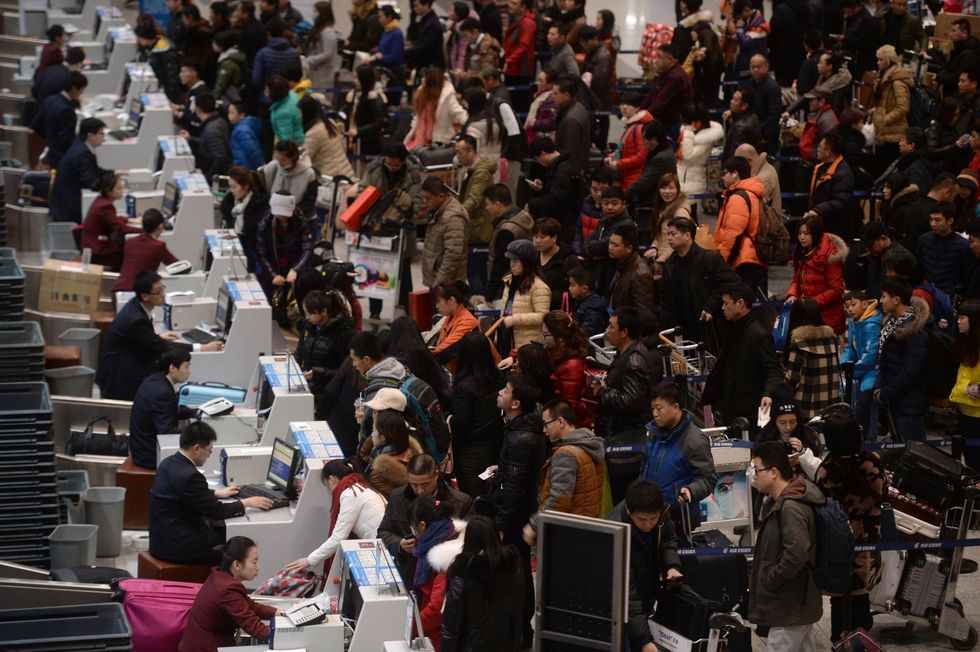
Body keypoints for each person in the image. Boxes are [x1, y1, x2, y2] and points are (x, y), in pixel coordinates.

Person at [151, 423, 273, 563]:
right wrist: (248, 502)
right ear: (197, 448)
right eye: (209, 451)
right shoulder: (191, 476)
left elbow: (186, 493)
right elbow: (217, 511)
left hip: (162, 539)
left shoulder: (168, 463)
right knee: (235, 544)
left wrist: (216, 493)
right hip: (178, 546)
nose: (209, 455)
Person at [814, 413, 886, 644]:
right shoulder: (873, 462)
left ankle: (841, 642)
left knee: (840, 603)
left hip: (838, 545)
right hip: (869, 541)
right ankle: (863, 641)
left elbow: (820, 506)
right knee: (862, 597)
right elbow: (884, 495)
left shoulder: (827, 470)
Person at [748, 441, 824, 651]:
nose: (754, 475)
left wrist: (771, 578)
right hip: (796, 603)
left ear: (773, 472)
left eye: (757, 469)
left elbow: (796, 553)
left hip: (789, 605)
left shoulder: (791, 507)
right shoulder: (781, 502)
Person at [487, 375, 546, 646]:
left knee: (517, 572)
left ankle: (521, 633)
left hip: (513, 516)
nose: (500, 393)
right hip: (515, 511)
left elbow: (515, 488)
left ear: (516, 403)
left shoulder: (521, 438)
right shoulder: (518, 429)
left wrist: (500, 524)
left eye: (505, 391)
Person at [97, 272, 220, 401]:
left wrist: (155, 337)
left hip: (123, 362)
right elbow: (164, 347)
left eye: (163, 289)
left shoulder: (136, 305)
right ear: (145, 296)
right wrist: (202, 348)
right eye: (158, 291)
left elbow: (140, 338)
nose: (163, 294)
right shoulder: (135, 319)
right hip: (119, 375)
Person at [608, 480, 683, 652]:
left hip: (647, 588)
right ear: (628, 510)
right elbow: (627, 595)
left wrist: (671, 566)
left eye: (653, 519)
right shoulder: (616, 531)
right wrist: (644, 641)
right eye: (641, 519)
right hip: (622, 607)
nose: (648, 524)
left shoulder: (662, 512)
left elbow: (668, 540)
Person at [592, 307, 656, 503]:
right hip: (619, 436)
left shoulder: (634, 359)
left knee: (625, 499)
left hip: (627, 443)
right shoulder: (625, 355)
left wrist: (603, 391)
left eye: (611, 326)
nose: (606, 331)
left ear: (625, 332)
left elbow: (630, 401)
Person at [379, 454, 473, 585]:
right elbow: (383, 532)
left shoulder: (460, 502)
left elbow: (469, 542)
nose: (420, 490)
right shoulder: (397, 498)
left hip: (443, 575)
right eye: (414, 484)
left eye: (425, 484)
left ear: (436, 475)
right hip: (408, 572)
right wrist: (399, 544)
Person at [522, 398, 604, 545]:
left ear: (560, 421)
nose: (544, 430)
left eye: (546, 424)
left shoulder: (566, 454)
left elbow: (559, 500)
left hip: (567, 534)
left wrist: (533, 524)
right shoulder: (589, 445)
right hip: (587, 528)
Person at [284, 460, 386, 574]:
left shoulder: (350, 493)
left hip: (381, 552)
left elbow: (338, 537)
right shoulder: (360, 486)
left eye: (327, 486)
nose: (329, 492)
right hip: (381, 545)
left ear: (332, 479)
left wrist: (309, 560)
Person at [179, 537, 280, 651]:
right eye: (254, 562)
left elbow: (250, 606)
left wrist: (278, 613)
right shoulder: (227, 589)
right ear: (236, 565)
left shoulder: (219, 576)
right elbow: (255, 628)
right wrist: (289, 635)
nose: (258, 567)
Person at [441, 515, 525, 652]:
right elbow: (517, 617)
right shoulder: (511, 566)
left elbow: (450, 628)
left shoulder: (462, 571)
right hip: (504, 644)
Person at [702, 283, 782, 427]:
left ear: (740, 303)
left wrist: (768, 394)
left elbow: (774, 369)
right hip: (731, 406)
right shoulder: (735, 327)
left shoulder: (758, 334)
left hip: (749, 411)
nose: (722, 307)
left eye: (726, 303)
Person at [642, 382, 716, 527]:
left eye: (659, 409)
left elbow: (708, 478)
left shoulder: (694, 440)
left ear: (675, 408)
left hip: (679, 517)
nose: (655, 414)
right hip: (651, 514)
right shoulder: (653, 432)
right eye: (653, 409)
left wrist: (691, 491)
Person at [659, 217, 740, 347]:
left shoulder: (709, 259)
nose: (669, 238)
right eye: (668, 234)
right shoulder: (669, 265)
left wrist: (711, 306)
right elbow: (666, 299)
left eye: (673, 234)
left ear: (687, 235)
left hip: (708, 326)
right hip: (682, 329)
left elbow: (731, 283)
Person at [450, 332, 506, 496]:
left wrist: (447, 418)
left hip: (469, 453)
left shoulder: (464, 387)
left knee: (473, 500)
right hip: (496, 445)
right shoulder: (500, 378)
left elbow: (461, 422)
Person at [877, 277, 930, 441]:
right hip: (896, 400)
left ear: (896, 300)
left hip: (909, 403)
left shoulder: (915, 329)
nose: (881, 301)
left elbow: (911, 370)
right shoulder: (893, 323)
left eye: (884, 296)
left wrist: (887, 393)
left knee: (913, 452)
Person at [410, 496, 466, 650]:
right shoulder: (443, 538)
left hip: (440, 638)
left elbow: (437, 608)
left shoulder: (444, 558)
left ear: (422, 525)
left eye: (412, 527)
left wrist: (410, 626)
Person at [129, 348, 197, 470]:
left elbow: (169, 410)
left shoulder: (156, 380)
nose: (189, 372)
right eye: (186, 367)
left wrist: (194, 412)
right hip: (149, 454)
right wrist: (195, 432)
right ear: (172, 368)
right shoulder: (163, 392)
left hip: (141, 447)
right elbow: (166, 432)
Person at [295, 290, 355, 418]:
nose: (307, 317)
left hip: (328, 393)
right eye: (306, 313)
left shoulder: (341, 334)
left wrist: (318, 373)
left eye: (311, 313)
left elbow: (345, 371)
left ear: (324, 311)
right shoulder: (309, 326)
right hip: (308, 386)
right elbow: (300, 351)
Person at [714, 156, 768, 295]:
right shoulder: (753, 193)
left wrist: (722, 263)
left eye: (725, 173)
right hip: (753, 256)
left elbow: (733, 234)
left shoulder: (738, 198)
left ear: (735, 173)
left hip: (742, 260)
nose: (722, 177)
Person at [786, 215, 847, 334]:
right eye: (800, 233)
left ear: (816, 234)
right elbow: (797, 280)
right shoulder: (802, 252)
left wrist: (811, 304)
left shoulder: (830, 256)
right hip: (807, 316)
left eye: (806, 233)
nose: (802, 237)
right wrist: (792, 295)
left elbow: (837, 289)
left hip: (826, 320)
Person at [782, 297, 841, 420]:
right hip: (830, 407)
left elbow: (791, 381)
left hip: (804, 409)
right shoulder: (832, 339)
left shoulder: (799, 344)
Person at [49, 118, 113, 224]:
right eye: (101, 134)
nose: (104, 138)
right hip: (68, 206)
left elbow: (95, 170)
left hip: (65, 199)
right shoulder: (82, 154)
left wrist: (114, 174)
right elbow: (92, 183)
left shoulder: (80, 146)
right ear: (90, 135)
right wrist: (113, 186)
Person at [455, 135, 497, 294]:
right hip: (475, 228)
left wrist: (456, 215)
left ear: (471, 151)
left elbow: (473, 199)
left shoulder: (480, 173)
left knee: (476, 274)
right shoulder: (472, 170)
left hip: (479, 231)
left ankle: (481, 313)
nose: (457, 156)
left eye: (460, 152)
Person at [753, 387, 824, 480]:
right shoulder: (765, 440)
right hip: (775, 493)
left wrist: (803, 453)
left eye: (792, 422)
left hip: (805, 491)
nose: (788, 427)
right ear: (774, 421)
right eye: (782, 422)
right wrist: (783, 466)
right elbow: (754, 479)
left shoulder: (808, 435)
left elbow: (820, 473)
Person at [255, 192, 314, 299]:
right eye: (279, 213)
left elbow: (307, 248)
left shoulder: (301, 221)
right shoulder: (265, 224)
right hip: (272, 272)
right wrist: (273, 274)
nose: (282, 216)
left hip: (294, 271)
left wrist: (296, 269)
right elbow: (261, 252)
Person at [840, 290, 882, 436]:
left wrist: (851, 371)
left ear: (864, 304)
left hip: (873, 370)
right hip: (858, 368)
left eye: (853, 305)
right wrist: (842, 365)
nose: (850, 309)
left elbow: (870, 355)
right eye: (847, 306)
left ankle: (861, 436)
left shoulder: (872, 324)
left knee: (863, 403)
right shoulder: (853, 321)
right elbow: (850, 349)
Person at [80, 173, 141, 271]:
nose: (122, 191)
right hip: (98, 252)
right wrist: (146, 229)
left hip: (92, 247)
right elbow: (121, 228)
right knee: (130, 255)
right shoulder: (105, 206)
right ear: (109, 191)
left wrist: (131, 220)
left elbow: (114, 219)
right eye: (119, 188)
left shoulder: (101, 201)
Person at [869, 45, 914, 177]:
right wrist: (874, 113)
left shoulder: (897, 82)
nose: (878, 63)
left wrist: (884, 120)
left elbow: (903, 107)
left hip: (893, 133)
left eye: (880, 60)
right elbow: (885, 104)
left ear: (888, 61)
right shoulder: (885, 78)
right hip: (885, 132)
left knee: (885, 170)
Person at [526, 137, 582, 241]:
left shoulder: (562, 170)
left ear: (542, 154)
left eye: (538, 159)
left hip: (565, 223)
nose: (539, 162)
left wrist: (532, 203)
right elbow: (559, 192)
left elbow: (555, 201)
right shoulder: (562, 165)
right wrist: (542, 189)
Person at [499, 238, 551, 348]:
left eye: (516, 261)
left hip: (527, 345)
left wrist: (514, 319)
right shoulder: (509, 281)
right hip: (507, 337)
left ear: (527, 263)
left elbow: (543, 316)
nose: (511, 265)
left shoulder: (539, 287)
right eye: (511, 260)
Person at [918, 202, 975, 300]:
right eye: (931, 219)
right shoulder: (924, 240)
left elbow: (966, 275)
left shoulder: (963, 245)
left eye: (937, 220)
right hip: (926, 294)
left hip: (949, 297)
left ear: (950, 221)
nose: (933, 224)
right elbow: (920, 267)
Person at [112, 210, 180, 293]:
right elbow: (176, 265)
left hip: (118, 290)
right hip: (135, 293)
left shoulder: (130, 242)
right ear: (161, 226)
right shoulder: (158, 246)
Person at [30, 71, 87, 168]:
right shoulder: (67, 110)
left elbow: (36, 125)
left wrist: (50, 138)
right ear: (74, 89)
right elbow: (66, 141)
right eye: (81, 90)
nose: (82, 93)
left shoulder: (49, 100)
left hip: (49, 151)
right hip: (59, 158)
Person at [421, 177, 469, 289]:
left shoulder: (453, 218)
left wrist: (439, 283)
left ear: (441, 196)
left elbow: (452, 255)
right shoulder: (437, 211)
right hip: (436, 278)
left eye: (428, 198)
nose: (424, 202)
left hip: (447, 284)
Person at [219, 167, 270, 273]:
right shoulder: (230, 202)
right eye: (230, 187)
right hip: (237, 248)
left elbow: (255, 231)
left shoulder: (261, 204)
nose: (231, 191)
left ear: (246, 186)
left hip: (255, 253)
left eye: (234, 187)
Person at [541, 311, 589, 422]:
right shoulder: (554, 351)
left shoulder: (573, 365)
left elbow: (569, 405)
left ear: (560, 337)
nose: (544, 338)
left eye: (546, 335)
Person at [405, 68, 468, 149]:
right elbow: (417, 116)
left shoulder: (447, 97)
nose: (422, 80)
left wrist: (473, 123)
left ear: (431, 81)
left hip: (440, 141)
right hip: (419, 139)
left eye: (425, 77)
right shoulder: (421, 93)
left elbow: (459, 114)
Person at [625, 119, 677, 214]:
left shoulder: (661, 158)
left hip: (654, 204)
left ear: (654, 140)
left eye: (645, 139)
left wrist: (623, 196)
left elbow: (644, 182)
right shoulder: (663, 151)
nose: (643, 142)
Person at [952, 300, 980, 468]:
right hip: (965, 410)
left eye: (963, 317)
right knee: (970, 461)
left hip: (977, 416)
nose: (958, 321)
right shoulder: (967, 344)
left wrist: (967, 390)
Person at [259, 140, 319, 219]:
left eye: (283, 160)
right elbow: (263, 192)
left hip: (300, 218)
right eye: (277, 158)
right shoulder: (273, 166)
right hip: (275, 215)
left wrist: (290, 213)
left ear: (293, 157)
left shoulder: (309, 173)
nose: (279, 162)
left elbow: (309, 201)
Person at [641, 45, 691, 140]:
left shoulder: (674, 77)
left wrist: (642, 117)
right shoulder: (665, 73)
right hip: (664, 122)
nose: (656, 60)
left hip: (671, 125)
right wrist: (641, 112)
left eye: (659, 57)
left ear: (670, 59)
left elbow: (660, 102)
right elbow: (652, 95)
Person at [300, 96, 355, 180]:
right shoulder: (330, 123)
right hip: (347, 174)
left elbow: (303, 162)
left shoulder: (313, 133)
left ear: (306, 113)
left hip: (332, 180)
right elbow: (343, 147)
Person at [606, 92, 652, 191]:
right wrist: (611, 157)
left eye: (628, 104)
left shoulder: (639, 128)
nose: (624, 107)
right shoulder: (631, 125)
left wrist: (619, 164)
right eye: (622, 104)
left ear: (637, 107)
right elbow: (624, 150)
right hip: (627, 175)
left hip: (634, 177)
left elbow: (641, 157)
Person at [677, 104, 724, 197]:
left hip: (693, 180)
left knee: (690, 207)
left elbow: (688, 155)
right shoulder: (691, 131)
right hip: (682, 175)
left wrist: (688, 133)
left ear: (693, 122)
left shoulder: (706, 138)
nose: (683, 124)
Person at [645, 173, 692, 264]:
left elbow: (679, 243)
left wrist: (661, 260)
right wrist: (654, 248)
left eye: (671, 188)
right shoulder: (662, 209)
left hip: (676, 262)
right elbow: (661, 235)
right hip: (665, 260)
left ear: (677, 190)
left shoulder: (680, 212)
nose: (667, 191)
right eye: (663, 188)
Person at [608, 224, 655, 311]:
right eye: (610, 243)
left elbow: (643, 312)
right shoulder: (619, 262)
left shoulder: (641, 273)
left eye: (615, 245)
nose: (610, 248)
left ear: (629, 248)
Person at [502, 0, 536, 113]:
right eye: (510, 2)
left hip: (520, 70)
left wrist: (508, 61)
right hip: (512, 67)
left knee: (519, 105)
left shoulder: (527, 23)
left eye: (514, 3)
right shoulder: (515, 19)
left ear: (523, 7)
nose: (510, 5)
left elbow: (523, 46)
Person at [252, 18, 301, 95]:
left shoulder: (262, 53)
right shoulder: (294, 53)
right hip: (288, 97)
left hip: (266, 97)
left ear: (268, 33)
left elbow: (256, 80)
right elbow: (298, 77)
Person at [552, 77, 591, 171]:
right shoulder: (578, 106)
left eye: (556, 93)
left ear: (566, 95)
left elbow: (569, 153)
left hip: (570, 172)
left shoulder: (571, 120)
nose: (552, 96)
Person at [533, 218, 572, 308]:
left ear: (554, 237)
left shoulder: (568, 259)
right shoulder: (533, 257)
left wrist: (548, 296)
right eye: (536, 236)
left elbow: (576, 292)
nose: (538, 241)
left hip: (556, 312)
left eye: (542, 237)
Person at [373, 5, 406, 105]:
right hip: (384, 73)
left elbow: (395, 57)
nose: (379, 20)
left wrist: (381, 56)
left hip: (393, 76)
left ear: (389, 17)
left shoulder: (397, 34)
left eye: (381, 17)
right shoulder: (386, 31)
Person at [306, 2, 342, 91]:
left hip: (324, 76)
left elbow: (327, 54)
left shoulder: (327, 32)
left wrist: (309, 60)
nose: (314, 14)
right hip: (316, 73)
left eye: (316, 11)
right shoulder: (320, 30)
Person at [722, 87, 762, 162]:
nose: (731, 101)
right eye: (732, 98)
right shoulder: (754, 117)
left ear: (745, 105)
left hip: (740, 168)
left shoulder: (740, 126)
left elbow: (736, 156)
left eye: (735, 100)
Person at [567, 266, 609, 337]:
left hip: (589, 345)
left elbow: (586, 331)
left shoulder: (593, 307)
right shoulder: (581, 301)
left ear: (584, 289)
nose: (569, 288)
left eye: (572, 285)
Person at [405, 0, 446, 71]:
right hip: (425, 63)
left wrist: (407, 49)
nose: (414, 8)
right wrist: (411, 43)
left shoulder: (432, 23)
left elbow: (425, 46)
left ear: (426, 5)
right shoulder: (424, 19)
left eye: (417, 6)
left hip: (432, 65)